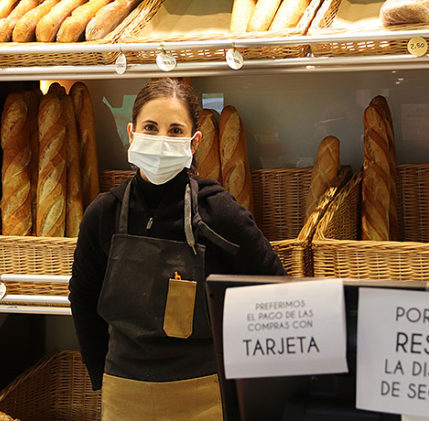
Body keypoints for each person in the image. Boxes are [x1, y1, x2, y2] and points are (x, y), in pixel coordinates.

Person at [69, 78, 287, 421]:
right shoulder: (103, 214)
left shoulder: (219, 211)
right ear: (132, 132)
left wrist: (244, 380)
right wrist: (100, 373)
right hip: (123, 393)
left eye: (175, 131)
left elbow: (275, 286)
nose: (161, 140)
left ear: (193, 141)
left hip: (203, 395)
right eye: (151, 128)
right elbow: (82, 297)